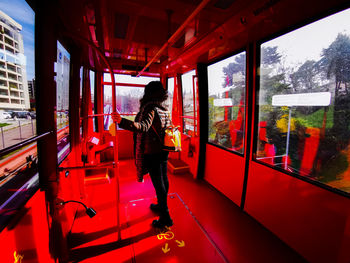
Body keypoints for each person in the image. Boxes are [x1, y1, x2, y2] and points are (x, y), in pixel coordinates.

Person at [112, 81, 173, 228]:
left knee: (159, 184)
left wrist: (122, 121)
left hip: (152, 152)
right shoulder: (164, 108)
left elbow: (143, 127)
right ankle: (161, 205)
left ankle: (165, 217)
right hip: (164, 150)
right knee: (164, 181)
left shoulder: (150, 108)